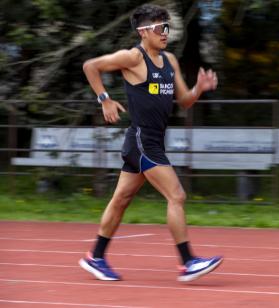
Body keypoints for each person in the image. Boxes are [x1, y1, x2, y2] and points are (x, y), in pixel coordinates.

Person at [78, 4, 222, 282]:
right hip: (143, 140)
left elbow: (184, 100)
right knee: (177, 195)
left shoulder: (170, 61)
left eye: (167, 27)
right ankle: (188, 262)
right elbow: (90, 66)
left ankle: (95, 256)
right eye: (160, 27)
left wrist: (199, 89)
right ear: (144, 32)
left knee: (121, 199)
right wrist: (104, 99)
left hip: (150, 141)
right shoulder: (133, 57)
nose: (166, 33)